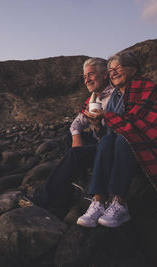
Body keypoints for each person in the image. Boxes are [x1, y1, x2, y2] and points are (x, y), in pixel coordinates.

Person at [77, 51, 157, 228]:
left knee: (124, 139)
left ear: (133, 70)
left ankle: (119, 203)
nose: (113, 73)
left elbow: (141, 128)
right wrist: (96, 125)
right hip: (126, 148)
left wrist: (107, 116)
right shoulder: (116, 96)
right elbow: (109, 134)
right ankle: (98, 201)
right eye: (110, 70)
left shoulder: (147, 88)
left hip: (155, 146)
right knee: (106, 141)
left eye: (117, 68)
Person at [32, 57, 114, 209]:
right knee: (71, 135)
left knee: (75, 154)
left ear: (104, 75)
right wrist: (77, 136)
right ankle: (80, 177)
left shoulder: (115, 95)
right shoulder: (93, 98)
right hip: (99, 140)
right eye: (84, 77)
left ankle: (42, 199)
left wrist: (99, 124)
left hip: (111, 146)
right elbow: (77, 122)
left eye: (90, 75)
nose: (86, 80)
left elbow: (114, 133)